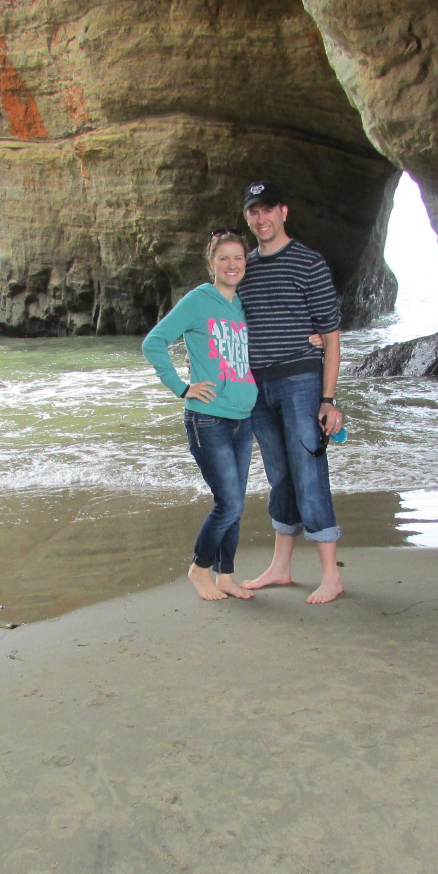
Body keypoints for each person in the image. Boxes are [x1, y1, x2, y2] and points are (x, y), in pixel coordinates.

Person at [236, 180, 345, 604]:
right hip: (256, 386)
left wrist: (328, 400)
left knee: (308, 471)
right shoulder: (243, 267)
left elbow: (331, 338)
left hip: (300, 381)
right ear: (247, 217)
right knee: (279, 475)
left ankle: (331, 576)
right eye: (253, 211)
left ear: (283, 212)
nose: (261, 218)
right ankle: (281, 568)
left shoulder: (309, 263)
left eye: (268, 209)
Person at [141, 230, 260, 602]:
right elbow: (153, 342)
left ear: (246, 263)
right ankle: (199, 568)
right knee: (230, 503)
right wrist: (181, 387)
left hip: (244, 418)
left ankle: (226, 576)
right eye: (223, 257)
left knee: (236, 505)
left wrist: (314, 339)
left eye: (238, 257)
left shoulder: (245, 305)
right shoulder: (198, 300)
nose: (231, 265)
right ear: (211, 263)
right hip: (208, 419)